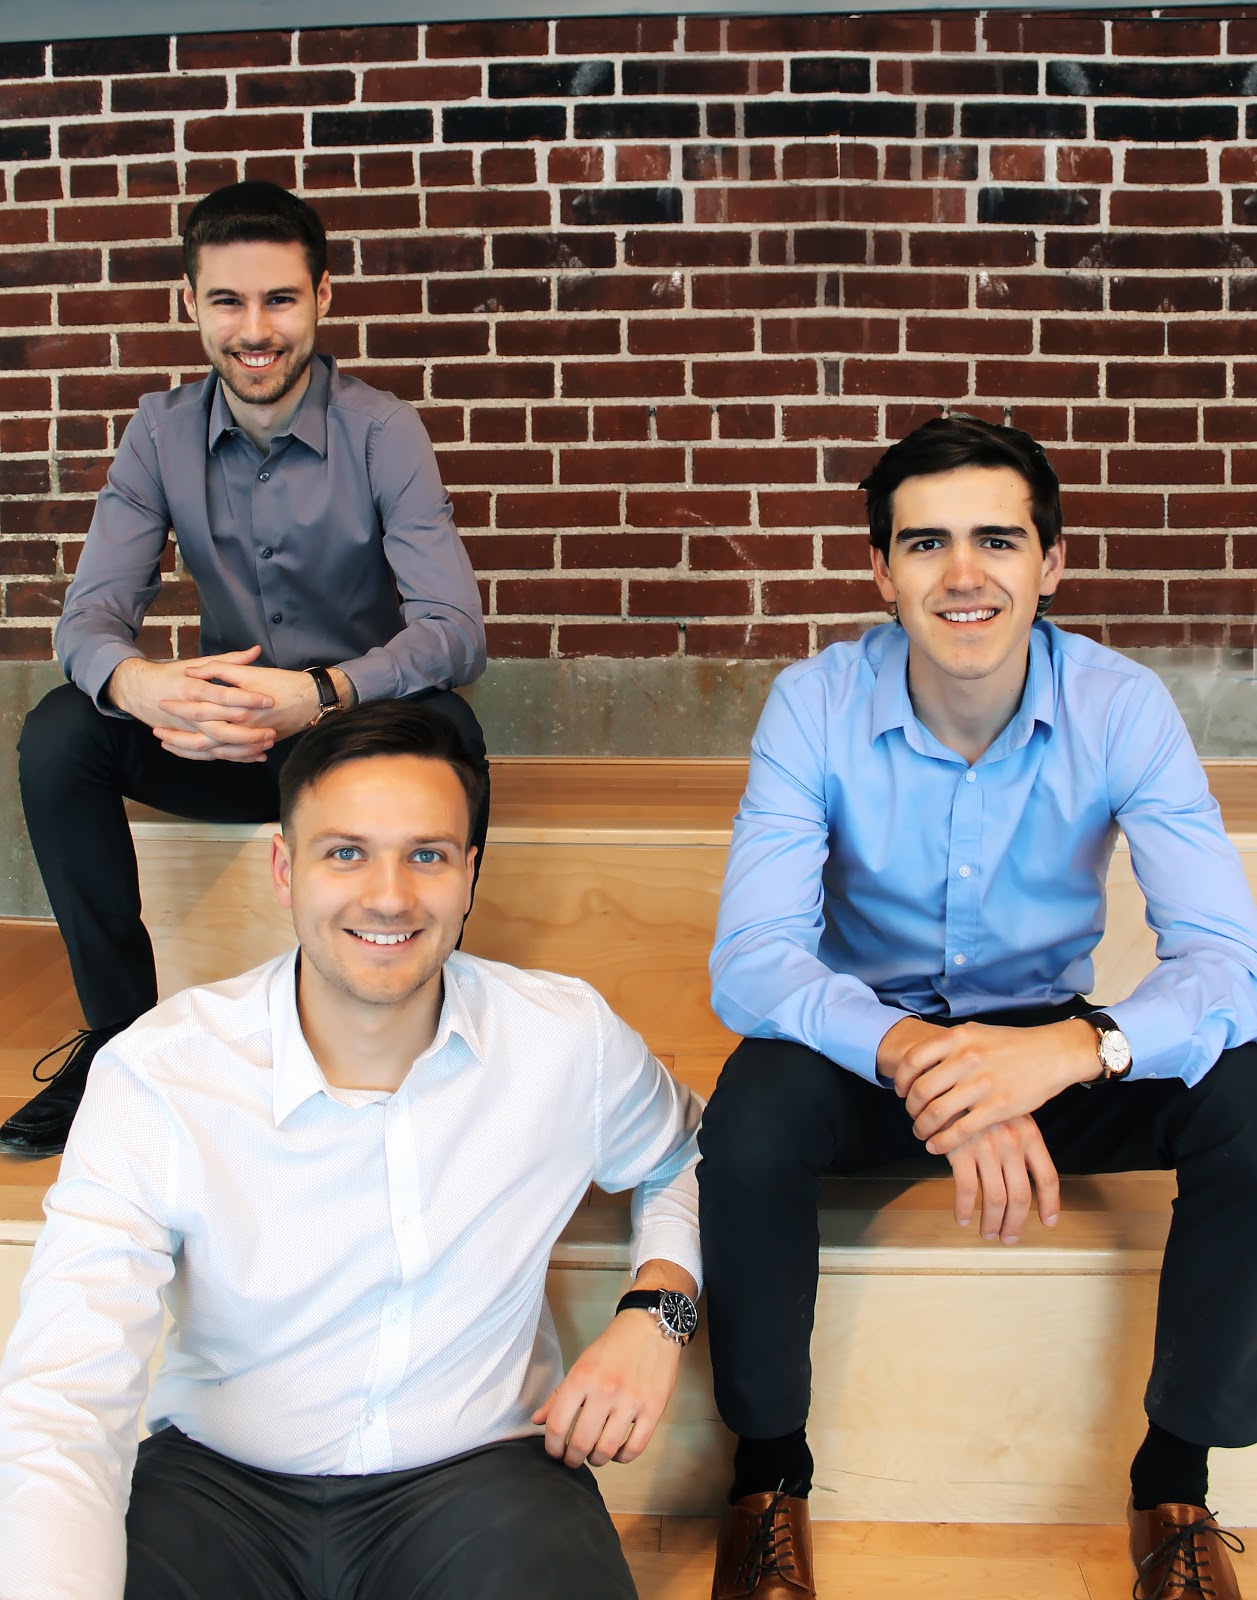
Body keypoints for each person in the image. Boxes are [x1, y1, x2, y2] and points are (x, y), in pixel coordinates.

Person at [699, 414, 1257, 1600]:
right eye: (925, 544)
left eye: (997, 540)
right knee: (747, 1117)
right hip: (866, 1049)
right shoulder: (814, 702)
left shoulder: (1121, 704)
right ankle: (766, 1479)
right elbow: (751, 963)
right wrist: (923, 1056)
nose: (963, 575)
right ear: (880, 570)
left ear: (1051, 565)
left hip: (1052, 1044)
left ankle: (1174, 1484)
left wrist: (1069, 1051)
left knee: (1254, 1092)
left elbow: (1227, 965)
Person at [0, 700, 703, 1600]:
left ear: (469, 872)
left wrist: (658, 1307)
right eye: (345, 852)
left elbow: (683, 1152)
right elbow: (64, 1393)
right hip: (217, 1487)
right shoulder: (160, 1075)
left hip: (482, 1480)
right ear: (284, 869)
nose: (388, 896)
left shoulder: (564, 1039)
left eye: (426, 854)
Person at [4, 180, 488, 1159]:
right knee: (61, 732)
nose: (254, 329)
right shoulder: (158, 432)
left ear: (322, 301)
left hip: (352, 742)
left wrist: (317, 693)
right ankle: (119, 1045)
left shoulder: (382, 430)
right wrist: (142, 684)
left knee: (456, 729)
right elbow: (90, 616)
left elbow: (454, 630)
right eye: (227, 301)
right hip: (222, 740)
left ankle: (420, 1033)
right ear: (191, 304)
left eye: (280, 299)